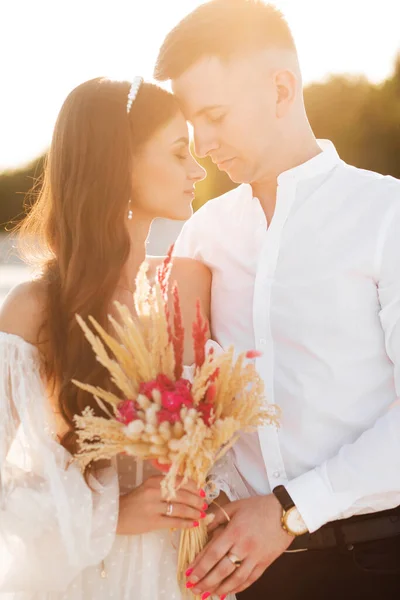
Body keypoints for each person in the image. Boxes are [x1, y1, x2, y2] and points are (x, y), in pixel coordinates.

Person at [154, 1, 400, 598]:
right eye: (193, 123)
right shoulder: (202, 235)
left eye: (215, 115)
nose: (204, 142)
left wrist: (289, 510)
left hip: (376, 561)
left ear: (282, 88)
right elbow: (181, 394)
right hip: (245, 575)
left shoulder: (386, 215)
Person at [0, 76, 213, 599]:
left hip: (188, 572)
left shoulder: (190, 283)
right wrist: (109, 510)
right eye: (179, 151)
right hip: (91, 580)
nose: (198, 169)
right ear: (122, 165)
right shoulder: (35, 310)